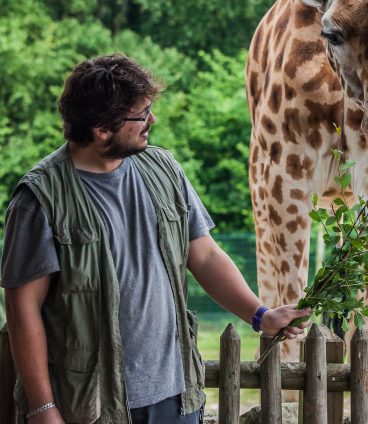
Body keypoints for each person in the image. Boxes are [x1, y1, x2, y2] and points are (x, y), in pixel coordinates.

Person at [1, 54, 310, 423]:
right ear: (102, 129)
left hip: (176, 398)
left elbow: (205, 256)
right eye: (141, 114)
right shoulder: (40, 198)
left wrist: (260, 315)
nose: (152, 120)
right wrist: (42, 407)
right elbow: (22, 309)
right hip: (89, 406)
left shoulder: (164, 169)